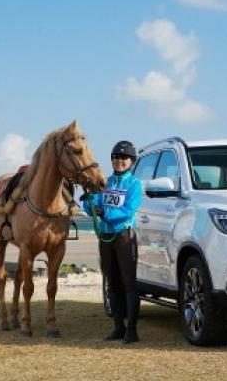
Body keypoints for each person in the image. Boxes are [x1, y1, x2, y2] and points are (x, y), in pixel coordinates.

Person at [82, 140, 143, 343]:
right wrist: (89, 200)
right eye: (116, 157)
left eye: (124, 158)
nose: (119, 161)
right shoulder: (105, 182)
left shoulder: (135, 184)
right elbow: (92, 206)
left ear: (131, 161)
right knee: (112, 284)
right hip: (105, 237)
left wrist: (104, 213)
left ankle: (132, 330)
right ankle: (118, 327)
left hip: (124, 237)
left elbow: (128, 211)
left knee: (129, 284)